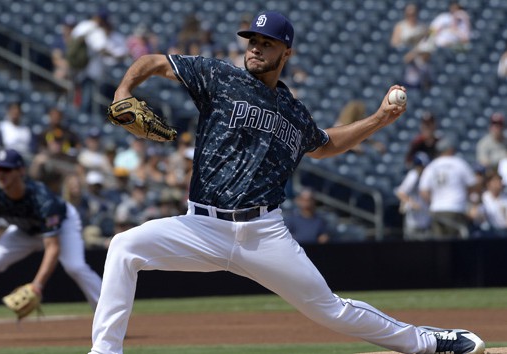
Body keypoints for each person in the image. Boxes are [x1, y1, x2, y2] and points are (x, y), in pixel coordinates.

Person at [87, 11, 485, 354]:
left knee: (331, 309)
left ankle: (430, 342)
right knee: (124, 246)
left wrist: (379, 118)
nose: (256, 47)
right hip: (201, 226)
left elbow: (325, 145)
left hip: (263, 233)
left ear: (286, 52)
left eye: (267, 42)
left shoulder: (293, 111)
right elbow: (154, 62)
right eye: (252, 40)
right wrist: (124, 90)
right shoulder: (219, 76)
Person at [0, 149, 102, 341]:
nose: (1, 174)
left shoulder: (42, 198)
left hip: (62, 226)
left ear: (20, 171)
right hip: (24, 230)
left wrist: (37, 285)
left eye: (7, 169)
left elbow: (52, 247)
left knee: (75, 267)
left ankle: (109, 318)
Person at [419, 136, 477, 239]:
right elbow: (473, 185)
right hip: (455, 208)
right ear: (450, 149)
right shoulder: (459, 163)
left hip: (437, 209)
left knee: (440, 247)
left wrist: (433, 201)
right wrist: (466, 197)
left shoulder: (432, 166)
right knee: (455, 247)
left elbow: (423, 191)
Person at [395, 151, 432, 240]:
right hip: (413, 219)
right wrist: (411, 203)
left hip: (426, 218)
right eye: (421, 166)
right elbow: (400, 192)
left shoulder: (429, 176)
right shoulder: (413, 175)